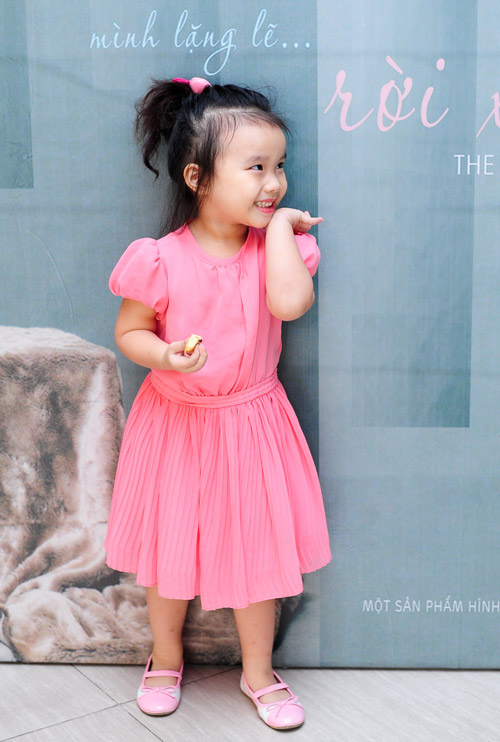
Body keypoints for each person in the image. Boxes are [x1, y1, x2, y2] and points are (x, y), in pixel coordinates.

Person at [105, 75, 332, 730]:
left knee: (257, 555)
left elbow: (290, 302)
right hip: (175, 422)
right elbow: (130, 332)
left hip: (251, 421)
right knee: (170, 554)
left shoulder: (278, 250)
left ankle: (257, 671)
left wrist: (282, 229)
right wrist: (166, 355)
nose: (274, 182)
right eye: (257, 168)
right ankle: (166, 656)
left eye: (280, 166)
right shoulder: (159, 259)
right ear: (198, 177)